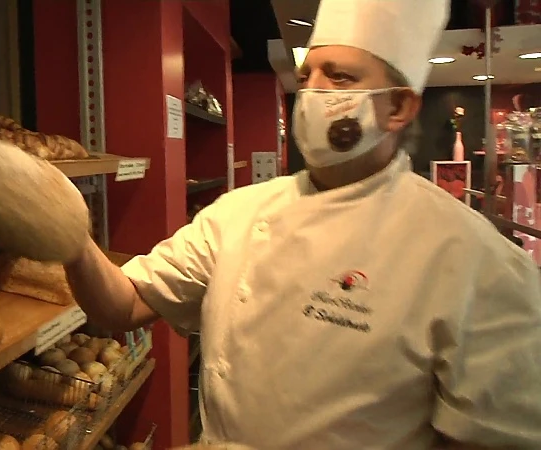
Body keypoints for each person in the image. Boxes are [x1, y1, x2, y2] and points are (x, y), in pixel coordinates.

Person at [64, 0, 541, 448]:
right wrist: (69, 237)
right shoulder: (237, 213)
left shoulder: (474, 259)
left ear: (397, 107)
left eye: (339, 78)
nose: (312, 92)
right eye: (307, 75)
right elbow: (121, 308)